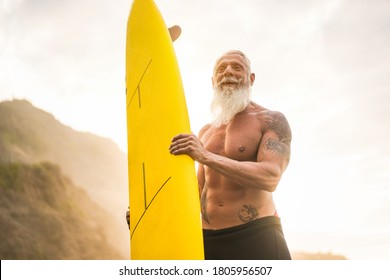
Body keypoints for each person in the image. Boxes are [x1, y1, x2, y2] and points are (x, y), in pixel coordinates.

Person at [169, 50, 292, 260]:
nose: (227, 72)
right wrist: (154, 213)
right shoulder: (206, 131)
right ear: (213, 81)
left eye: (237, 67)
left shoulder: (270, 120)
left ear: (251, 79)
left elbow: (270, 176)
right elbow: (197, 190)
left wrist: (205, 156)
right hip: (206, 240)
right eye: (221, 69)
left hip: (256, 235)